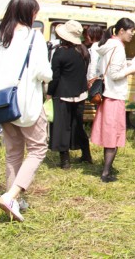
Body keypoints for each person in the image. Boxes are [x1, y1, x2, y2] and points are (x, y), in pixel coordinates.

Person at [0, 0, 52, 222]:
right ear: (28, 13)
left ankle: (14, 198)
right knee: (37, 149)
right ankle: (12, 195)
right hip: (27, 103)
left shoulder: (1, 36)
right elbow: (44, 72)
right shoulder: (33, 37)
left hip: (3, 102)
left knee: (13, 153)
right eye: (35, 11)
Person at [90, 18, 135, 183]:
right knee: (113, 137)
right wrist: (130, 69)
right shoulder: (118, 47)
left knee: (109, 136)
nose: (132, 34)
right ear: (121, 30)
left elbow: (110, 70)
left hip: (107, 96)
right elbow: (115, 74)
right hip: (114, 96)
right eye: (131, 31)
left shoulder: (109, 45)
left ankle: (106, 171)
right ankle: (105, 173)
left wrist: (126, 65)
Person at [47, 20, 92, 169]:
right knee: (77, 125)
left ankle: (65, 161)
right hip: (80, 93)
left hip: (63, 94)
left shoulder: (60, 52)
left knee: (62, 127)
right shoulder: (84, 51)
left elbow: (55, 77)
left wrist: (49, 93)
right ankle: (86, 154)